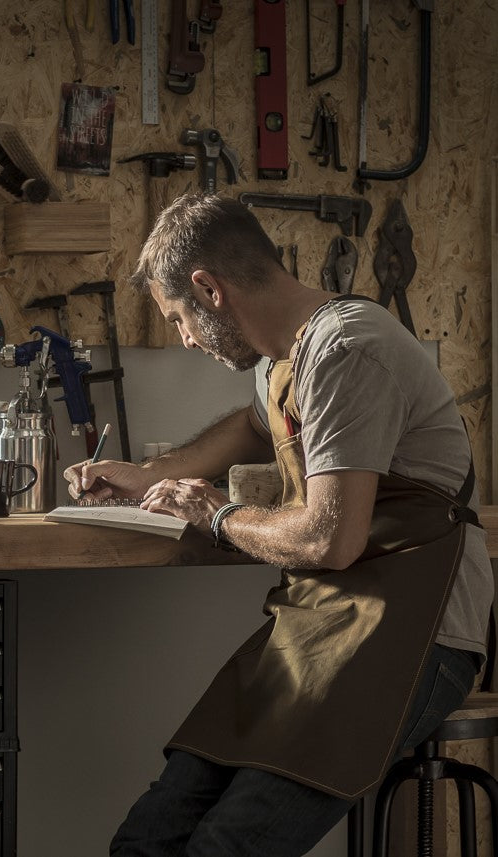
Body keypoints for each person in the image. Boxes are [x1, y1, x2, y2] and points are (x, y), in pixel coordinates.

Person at [64, 194, 491, 857]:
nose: (182, 338)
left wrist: (214, 512)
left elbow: (329, 539)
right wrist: (148, 475)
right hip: (322, 620)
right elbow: (253, 424)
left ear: (208, 288)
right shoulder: (280, 360)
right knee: (148, 836)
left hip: (415, 633)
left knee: (223, 847)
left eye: (178, 319)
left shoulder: (347, 348)